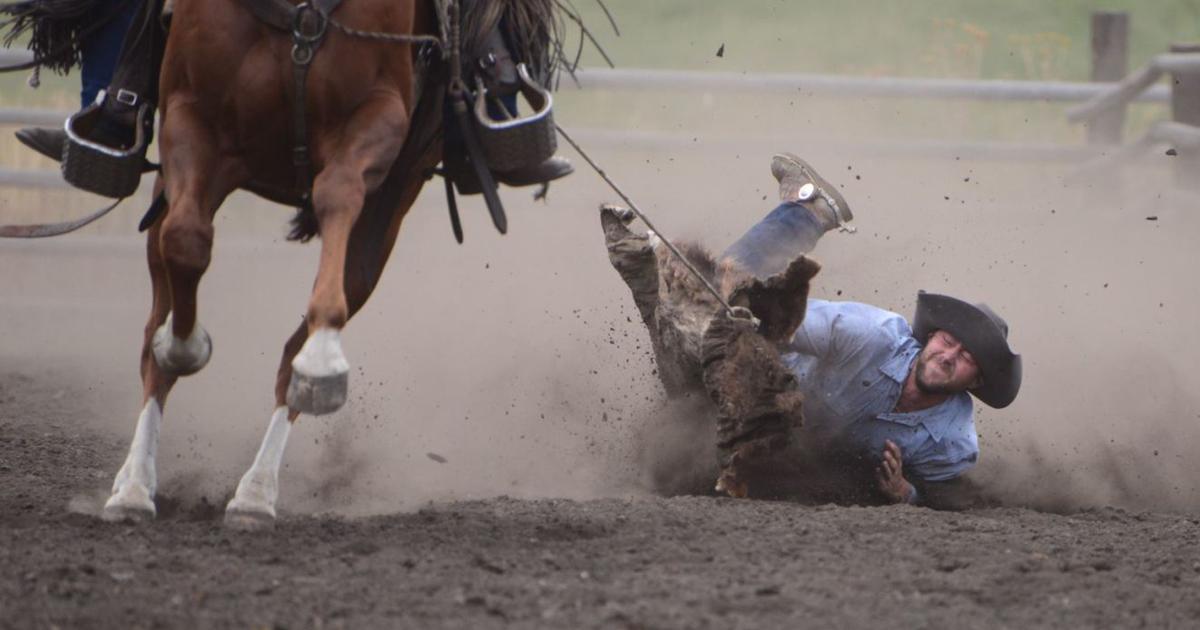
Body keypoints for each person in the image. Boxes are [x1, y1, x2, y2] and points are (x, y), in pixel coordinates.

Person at [719, 154, 1023, 507]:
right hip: (765, 385)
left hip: (791, 450)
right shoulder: (873, 335)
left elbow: (942, 497)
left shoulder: (953, 443)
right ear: (930, 338)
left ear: (976, 382)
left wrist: (905, 493)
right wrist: (741, 325)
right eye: (949, 341)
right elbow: (780, 321)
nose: (948, 356)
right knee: (724, 299)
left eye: (967, 357)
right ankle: (809, 211)